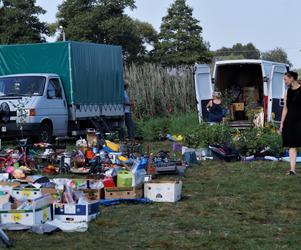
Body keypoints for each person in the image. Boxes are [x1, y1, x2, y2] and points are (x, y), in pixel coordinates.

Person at [280, 71, 301, 175]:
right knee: (292, 145)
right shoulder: (287, 92)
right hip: (290, 122)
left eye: (285, 79)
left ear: (292, 78)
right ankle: (292, 170)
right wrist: (282, 123)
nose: (284, 81)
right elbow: (285, 109)